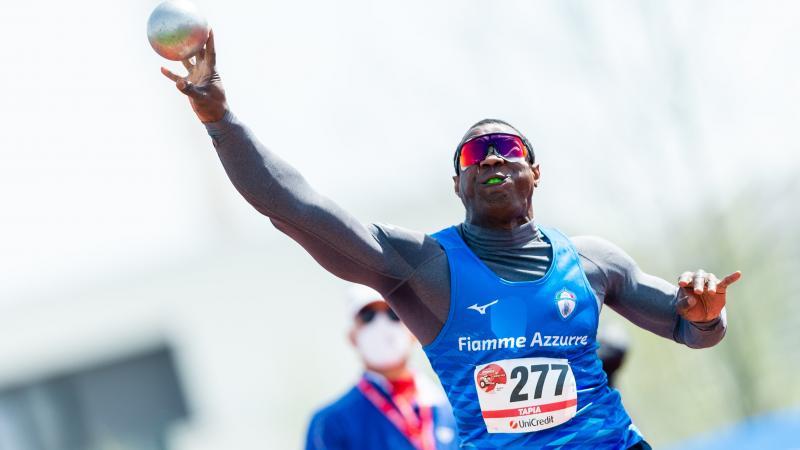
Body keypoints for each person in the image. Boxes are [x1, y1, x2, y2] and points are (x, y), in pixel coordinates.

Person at [160, 31, 742, 449]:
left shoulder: (592, 262)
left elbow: (692, 328)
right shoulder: (423, 267)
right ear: (457, 181)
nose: (492, 156)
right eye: (474, 152)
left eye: (509, 149)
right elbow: (294, 206)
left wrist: (707, 312)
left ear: (534, 173)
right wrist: (221, 120)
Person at [305, 285, 458, 450]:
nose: (381, 325)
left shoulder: (454, 410)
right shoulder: (330, 423)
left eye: (394, 314)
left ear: (415, 330)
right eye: (368, 316)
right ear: (352, 337)